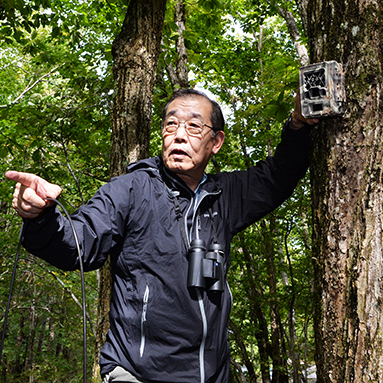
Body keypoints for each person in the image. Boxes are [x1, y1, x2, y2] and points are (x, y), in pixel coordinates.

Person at [5, 88, 317, 383]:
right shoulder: (131, 190)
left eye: (194, 127)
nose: (180, 135)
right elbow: (77, 244)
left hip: (211, 375)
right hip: (136, 373)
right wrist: (41, 216)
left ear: (216, 141)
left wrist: (299, 123)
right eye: (171, 126)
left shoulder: (226, 196)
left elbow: (280, 174)